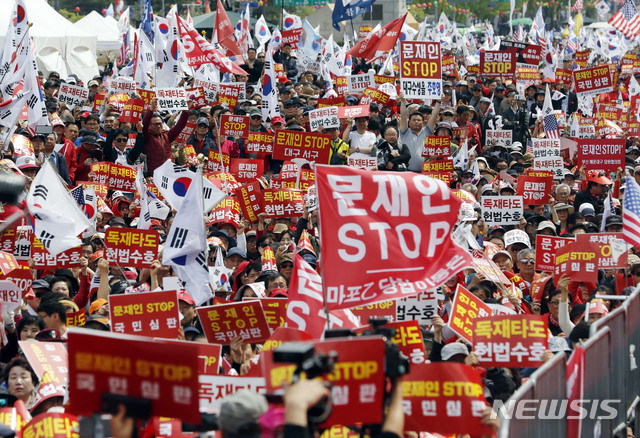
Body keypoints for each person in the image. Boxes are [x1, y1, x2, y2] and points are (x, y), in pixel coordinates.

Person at [142, 97, 191, 173]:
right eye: (155, 124)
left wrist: (185, 111)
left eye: (160, 124)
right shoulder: (147, 137)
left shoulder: (167, 136)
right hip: (154, 175)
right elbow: (144, 124)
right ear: (149, 126)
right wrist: (151, 109)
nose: (158, 126)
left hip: (169, 173)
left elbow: (179, 126)